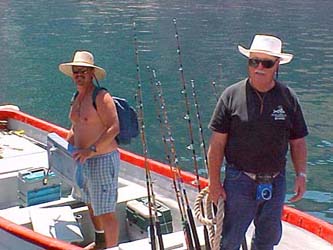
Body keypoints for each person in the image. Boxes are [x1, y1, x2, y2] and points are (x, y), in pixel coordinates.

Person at [208, 34, 308, 250]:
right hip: (239, 181)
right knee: (230, 240)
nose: (259, 67)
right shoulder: (230, 96)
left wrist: (301, 174)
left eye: (267, 62)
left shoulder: (288, 98)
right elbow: (216, 145)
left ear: (277, 65)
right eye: (254, 61)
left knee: (267, 240)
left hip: (276, 181)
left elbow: (298, 141)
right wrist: (214, 182)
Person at [59, 50, 120, 249]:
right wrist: (68, 145)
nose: (79, 75)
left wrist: (91, 150)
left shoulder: (101, 97)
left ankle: (111, 248)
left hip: (100, 158)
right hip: (81, 160)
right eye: (76, 71)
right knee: (91, 203)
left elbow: (113, 128)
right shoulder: (77, 96)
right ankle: (100, 242)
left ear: (92, 73)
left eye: (83, 71)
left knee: (106, 212)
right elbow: (77, 126)